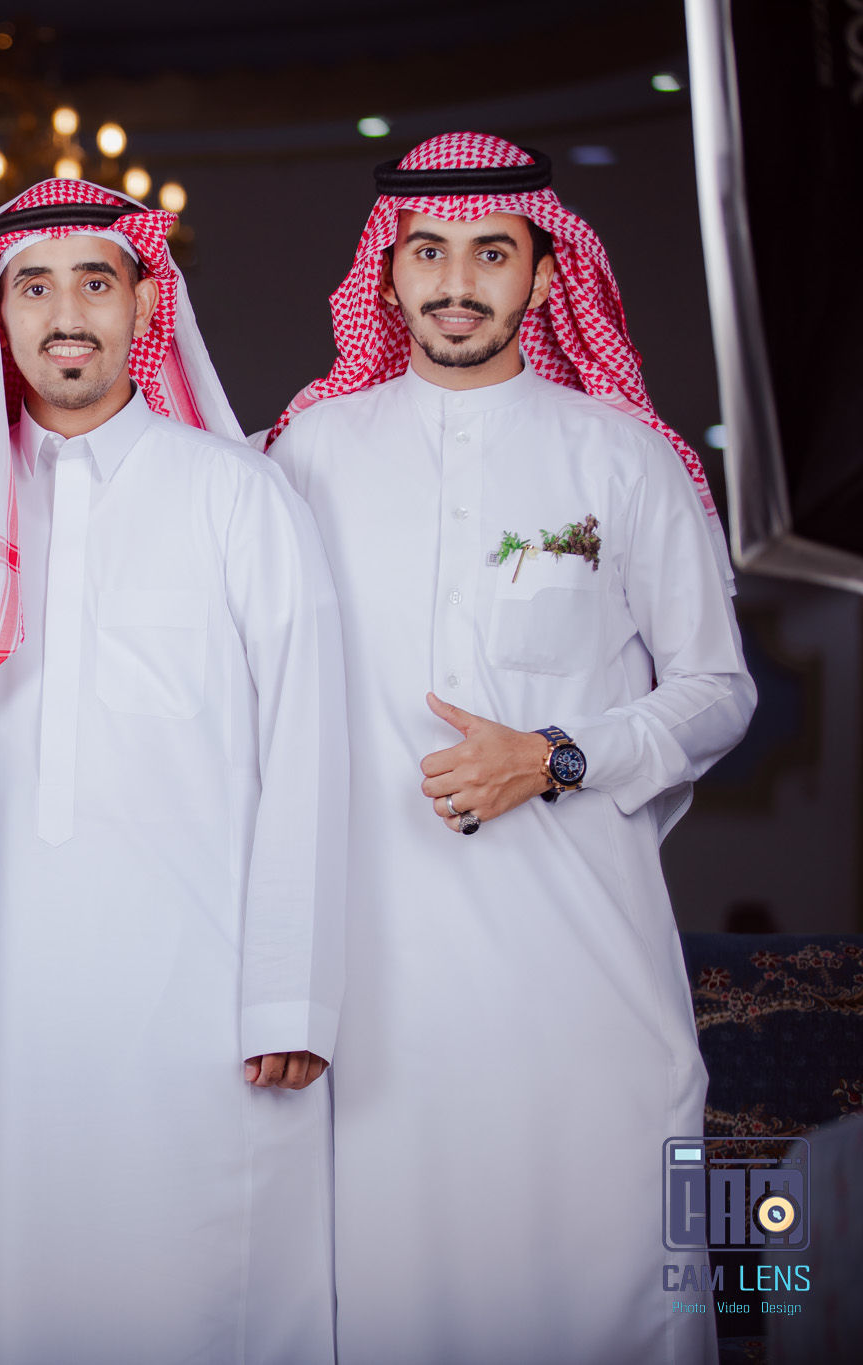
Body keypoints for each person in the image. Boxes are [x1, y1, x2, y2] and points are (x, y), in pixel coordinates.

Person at [262, 131, 754, 1365]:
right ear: (385, 276)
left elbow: (717, 691)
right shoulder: (307, 455)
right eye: (426, 252)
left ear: (541, 273)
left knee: (618, 1289)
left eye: (490, 252)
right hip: (379, 993)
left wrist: (556, 755)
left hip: (582, 975)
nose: (455, 281)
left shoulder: (622, 457)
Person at [0, 179, 347, 1363]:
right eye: (31, 288)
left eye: (94, 282)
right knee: (7, 1275)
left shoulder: (236, 492)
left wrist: (291, 991)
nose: (64, 314)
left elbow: (307, 748)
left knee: (195, 1283)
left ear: (144, 304)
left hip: (201, 986)